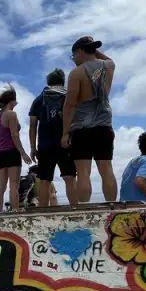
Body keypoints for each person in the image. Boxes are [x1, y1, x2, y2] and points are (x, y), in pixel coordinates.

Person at [61, 36, 118, 203]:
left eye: (74, 56)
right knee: (106, 169)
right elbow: (109, 59)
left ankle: (84, 208)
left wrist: (65, 133)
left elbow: (70, 104)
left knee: (83, 172)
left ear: (79, 52)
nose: (74, 61)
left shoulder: (77, 73)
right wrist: (93, 49)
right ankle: (111, 206)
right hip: (104, 125)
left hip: (82, 128)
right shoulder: (108, 66)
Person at [29, 68, 78, 207]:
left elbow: (32, 125)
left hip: (44, 145)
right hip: (66, 142)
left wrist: (33, 147)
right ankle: (75, 209)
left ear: (48, 82)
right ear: (63, 82)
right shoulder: (68, 96)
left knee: (44, 180)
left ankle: (44, 212)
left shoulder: (39, 99)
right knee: (69, 178)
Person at [0, 85, 32, 213]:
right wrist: (24, 153)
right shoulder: (11, 114)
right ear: (12, 101)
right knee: (14, 184)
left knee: (1, 186)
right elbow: (15, 135)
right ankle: (15, 210)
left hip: (0, 154)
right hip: (12, 152)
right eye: (16, 100)